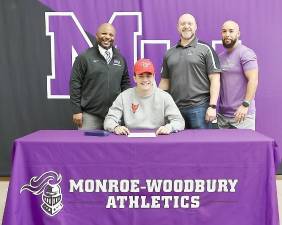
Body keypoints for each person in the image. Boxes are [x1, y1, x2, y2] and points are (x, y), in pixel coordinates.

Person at [159, 13, 221, 129]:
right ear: (178, 27)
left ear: (195, 26)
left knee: (202, 146)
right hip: (175, 110)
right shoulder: (169, 53)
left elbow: (215, 79)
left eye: (189, 23)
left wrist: (212, 106)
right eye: (183, 24)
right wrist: (158, 106)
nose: (186, 26)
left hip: (200, 108)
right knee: (178, 146)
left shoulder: (205, 49)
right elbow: (164, 83)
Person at [70, 23, 130, 130]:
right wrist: (76, 111)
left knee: (114, 147)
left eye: (111, 35)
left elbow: (125, 83)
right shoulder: (84, 57)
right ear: (97, 35)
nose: (107, 37)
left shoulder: (120, 59)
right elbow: (75, 83)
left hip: (114, 116)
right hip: (90, 116)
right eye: (104, 33)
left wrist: (126, 108)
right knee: (86, 146)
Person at [104, 59, 185, 135]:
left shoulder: (164, 97)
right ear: (135, 78)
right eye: (141, 76)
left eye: (148, 76)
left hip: (157, 138)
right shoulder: (124, 96)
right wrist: (116, 127)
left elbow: (179, 121)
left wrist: (169, 127)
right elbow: (109, 120)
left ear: (153, 77)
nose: (145, 80)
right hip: (130, 139)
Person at [217, 20, 258, 130]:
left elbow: (253, 80)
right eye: (224, 31)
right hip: (222, 117)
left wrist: (245, 105)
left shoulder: (246, 53)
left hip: (242, 116)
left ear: (238, 33)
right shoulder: (220, 57)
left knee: (246, 148)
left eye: (231, 31)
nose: (227, 34)